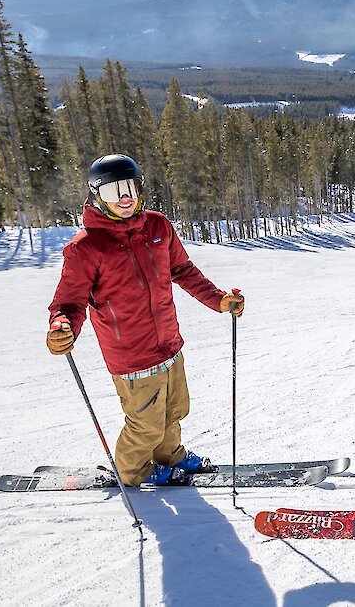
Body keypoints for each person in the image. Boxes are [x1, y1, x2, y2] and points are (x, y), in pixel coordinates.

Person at [46, 154, 245, 486]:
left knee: (174, 410)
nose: (124, 197)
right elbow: (69, 303)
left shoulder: (157, 226)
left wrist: (218, 300)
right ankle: (132, 469)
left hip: (168, 344)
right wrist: (60, 328)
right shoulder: (86, 248)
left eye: (130, 187)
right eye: (113, 191)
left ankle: (170, 455)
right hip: (131, 356)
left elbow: (182, 270)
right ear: (97, 195)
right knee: (145, 423)